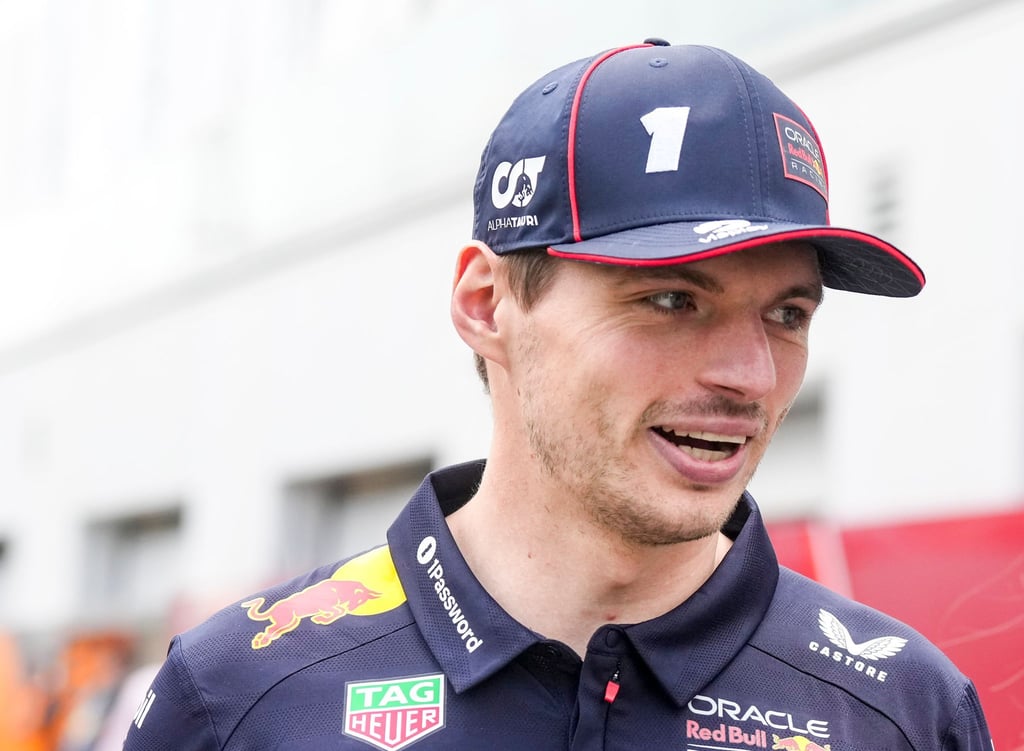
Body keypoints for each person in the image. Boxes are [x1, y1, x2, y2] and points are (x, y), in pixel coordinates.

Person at [122, 40, 992, 750]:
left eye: (788, 314)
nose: (752, 376)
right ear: (486, 305)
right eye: (671, 300)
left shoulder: (902, 709)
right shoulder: (243, 691)